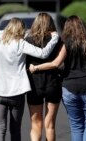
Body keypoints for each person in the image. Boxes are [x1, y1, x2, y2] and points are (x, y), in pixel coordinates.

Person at [29, 15, 86, 141]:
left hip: (69, 89)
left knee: (76, 125)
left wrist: (37, 68)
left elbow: (56, 63)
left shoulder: (67, 43)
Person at [0, 17, 59, 141]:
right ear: (21, 30)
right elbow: (43, 53)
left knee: (0, 129)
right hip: (16, 93)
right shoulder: (21, 43)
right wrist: (54, 38)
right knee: (15, 129)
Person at [25, 12, 63, 141]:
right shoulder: (57, 40)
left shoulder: (28, 40)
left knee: (36, 125)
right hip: (53, 83)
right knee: (50, 125)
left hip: (34, 85)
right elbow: (60, 63)